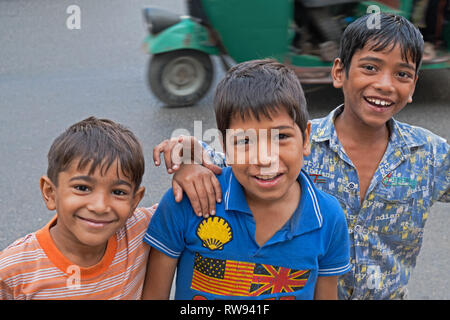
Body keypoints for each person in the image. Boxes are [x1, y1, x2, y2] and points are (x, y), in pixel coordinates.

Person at [153, 13, 450, 299]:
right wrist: (192, 161)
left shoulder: (431, 155)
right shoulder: (293, 142)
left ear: (413, 86)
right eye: (370, 68)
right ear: (338, 72)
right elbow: (233, 156)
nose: (385, 84)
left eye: (402, 74)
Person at [143, 59, 351, 300]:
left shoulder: (328, 217)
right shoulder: (190, 200)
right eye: (244, 141)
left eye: (281, 136)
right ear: (224, 146)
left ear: (305, 139)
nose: (264, 159)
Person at [0, 117, 155, 300]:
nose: (99, 206)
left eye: (118, 192)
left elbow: (189, 200)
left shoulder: (141, 230)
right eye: (82, 188)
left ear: (134, 201)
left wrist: (189, 160)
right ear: (50, 192)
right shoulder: (13, 270)